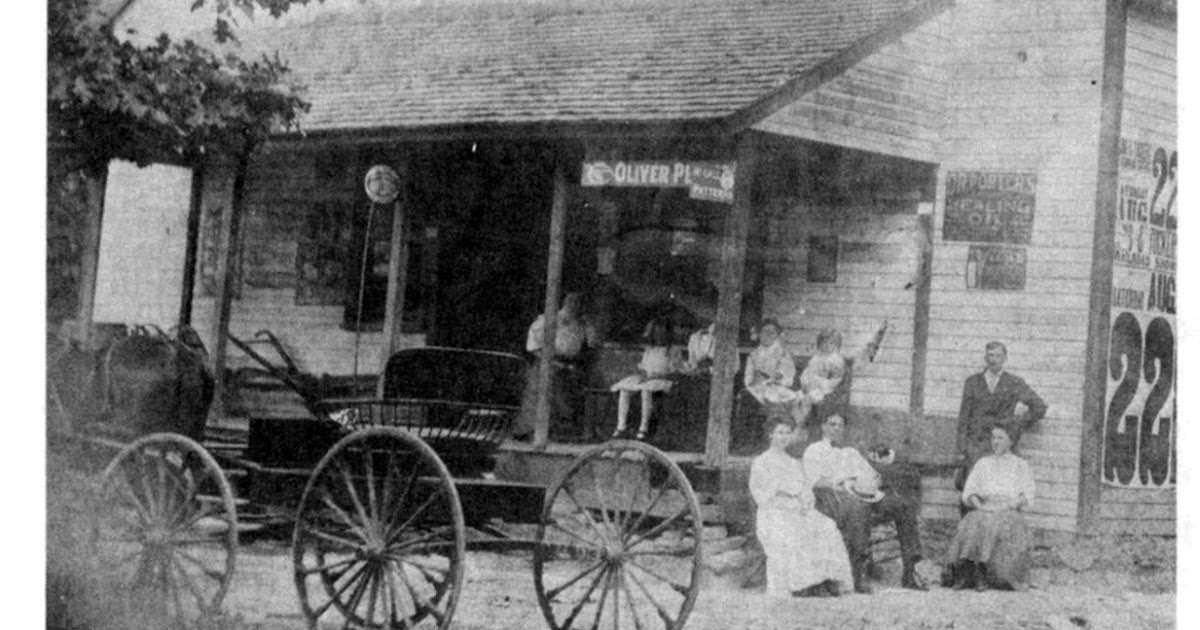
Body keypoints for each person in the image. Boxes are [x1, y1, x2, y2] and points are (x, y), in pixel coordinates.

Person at [803, 414, 927, 593]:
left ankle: (910, 569)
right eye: (832, 424)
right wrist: (841, 484)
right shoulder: (814, 450)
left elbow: (873, 475)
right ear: (823, 427)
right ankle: (858, 572)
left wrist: (869, 484)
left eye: (840, 425)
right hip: (834, 499)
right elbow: (814, 481)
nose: (837, 428)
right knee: (858, 508)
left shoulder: (850, 452)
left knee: (903, 506)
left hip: (865, 496)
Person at [749, 416, 853, 598]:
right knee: (793, 530)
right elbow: (761, 495)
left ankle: (826, 579)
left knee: (826, 526)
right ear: (770, 435)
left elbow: (806, 489)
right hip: (773, 512)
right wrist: (785, 494)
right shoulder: (762, 462)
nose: (784, 437)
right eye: (780, 432)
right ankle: (802, 584)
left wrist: (806, 501)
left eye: (788, 433)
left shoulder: (793, 462)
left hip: (797, 510)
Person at [947, 424, 1036, 591]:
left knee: (994, 522)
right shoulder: (983, 463)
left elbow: (1026, 495)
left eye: (1000, 438)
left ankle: (983, 571)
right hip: (985, 506)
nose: (995, 442)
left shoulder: (1020, 465)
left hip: (1008, 510)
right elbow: (970, 490)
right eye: (993, 438)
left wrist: (1007, 506)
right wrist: (979, 506)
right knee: (972, 520)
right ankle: (965, 571)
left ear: (1011, 441)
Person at [957, 341, 1047, 489]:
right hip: (977, 447)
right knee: (973, 491)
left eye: (998, 356)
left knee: (1001, 490)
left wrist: (1018, 423)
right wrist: (963, 450)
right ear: (985, 358)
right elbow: (964, 418)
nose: (993, 359)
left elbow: (1039, 407)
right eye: (990, 355)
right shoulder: (972, 382)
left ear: (1005, 358)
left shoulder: (1014, 383)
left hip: (1002, 447)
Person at [516, 292, 597, 439]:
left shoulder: (582, 324)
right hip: (547, 362)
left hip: (569, 364)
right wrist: (553, 362)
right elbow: (533, 347)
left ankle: (560, 433)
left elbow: (591, 343)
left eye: (578, 304)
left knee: (565, 399)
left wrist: (588, 325)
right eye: (572, 303)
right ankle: (532, 432)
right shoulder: (547, 320)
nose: (575, 306)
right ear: (565, 304)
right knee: (541, 397)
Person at [796, 322, 887, 431]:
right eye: (824, 342)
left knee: (808, 400)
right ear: (819, 344)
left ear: (837, 346)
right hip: (811, 386)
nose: (827, 346)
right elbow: (808, 373)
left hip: (827, 391)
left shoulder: (838, 360)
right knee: (798, 398)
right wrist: (806, 383)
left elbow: (859, 359)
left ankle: (801, 424)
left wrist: (874, 342)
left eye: (832, 343)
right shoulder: (816, 359)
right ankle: (799, 424)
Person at [609, 319, 683, 440]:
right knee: (625, 389)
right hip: (649, 379)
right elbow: (644, 367)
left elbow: (674, 372)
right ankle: (621, 426)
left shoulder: (673, 350)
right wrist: (643, 376)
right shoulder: (650, 350)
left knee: (646, 390)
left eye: (662, 333)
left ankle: (643, 427)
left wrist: (652, 377)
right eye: (657, 333)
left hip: (664, 380)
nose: (659, 336)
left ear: (668, 334)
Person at [743, 319, 799, 407]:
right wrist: (753, 381)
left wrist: (773, 379)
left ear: (777, 335)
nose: (767, 335)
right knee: (746, 396)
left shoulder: (783, 354)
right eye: (764, 332)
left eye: (772, 332)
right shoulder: (753, 355)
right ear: (759, 334)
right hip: (757, 389)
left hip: (776, 389)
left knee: (779, 399)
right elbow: (748, 378)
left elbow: (787, 377)